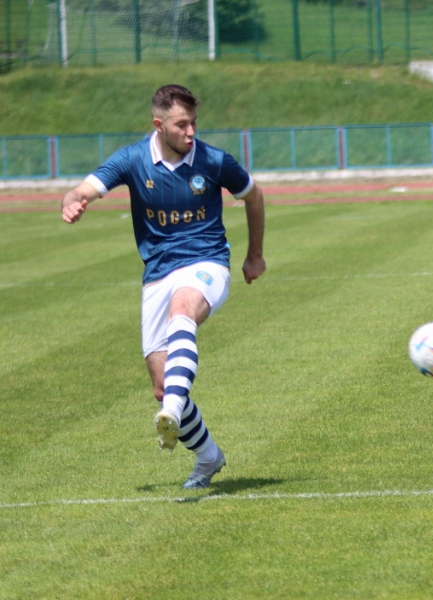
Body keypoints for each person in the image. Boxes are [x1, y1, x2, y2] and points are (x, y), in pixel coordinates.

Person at [60, 84, 266, 489]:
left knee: (182, 310)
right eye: (181, 125)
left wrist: (254, 255)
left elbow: (254, 196)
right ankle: (208, 457)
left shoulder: (213, 160)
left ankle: (171, 410)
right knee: (161, 384)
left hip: (206, 262)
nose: (191, 132)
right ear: (159, 125)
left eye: (194, 123)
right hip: (157, 272)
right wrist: (73, 199)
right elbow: (84, 187)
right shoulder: (133, 159)